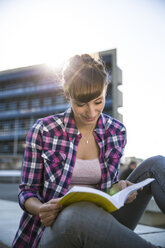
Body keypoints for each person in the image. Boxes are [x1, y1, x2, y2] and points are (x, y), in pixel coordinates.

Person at [12, 54, 165, 248]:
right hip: (55, 228)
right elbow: (27, 191)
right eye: (81, 104)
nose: (91, 112)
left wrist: (119, 189)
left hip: (103, 221)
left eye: (98, 102)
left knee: (157, 164)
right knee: (78, 211)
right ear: (69, 95)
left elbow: (107, 190)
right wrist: (41, 208)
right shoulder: (45, 130)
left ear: (105, 92)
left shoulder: (116, 132)